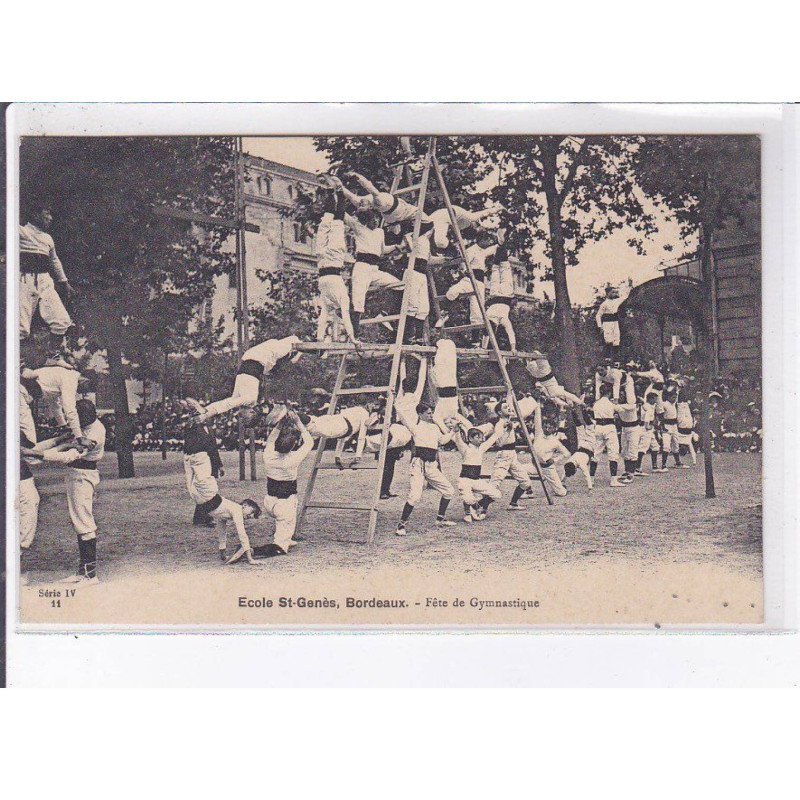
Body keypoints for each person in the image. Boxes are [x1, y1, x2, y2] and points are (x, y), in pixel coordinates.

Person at [24, 399, 106, 585]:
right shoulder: (82, 427)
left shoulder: (95, 432)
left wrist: (38, 455)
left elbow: (69, 455)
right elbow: (60, 443)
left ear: (88, 415)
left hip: (83, 475)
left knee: (84, 522)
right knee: (79, 522)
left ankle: (90, 574)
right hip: (76, 473)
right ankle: (83, 572)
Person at [189, 335, 300, 423]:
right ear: (252, 412)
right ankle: (298, 348)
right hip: (255, 361)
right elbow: (229, 405)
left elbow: (228, 403)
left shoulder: (248, 399)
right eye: (244, 418)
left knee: (287, 352)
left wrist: (206, 411)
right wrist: (207, 414)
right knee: (291, 347)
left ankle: (205, 410)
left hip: (249, 365)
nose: (240, 417)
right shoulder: (250, 399)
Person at [253, 411, 315, 558]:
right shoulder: (292, 459)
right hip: (284, 505)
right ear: (292, 447)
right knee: (280, 547)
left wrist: (280, 423)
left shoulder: (268, 455)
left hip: (269, 502)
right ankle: (254, 550)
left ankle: (285, 536)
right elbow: (310, 442)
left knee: (286, 520)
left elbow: (271, 439)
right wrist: (298, 421)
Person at [394, 401, 456, 536]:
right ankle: (401, 525)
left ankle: (440, 519)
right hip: (418, 465)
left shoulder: (434, 428)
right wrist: (395, 404)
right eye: (428, 413)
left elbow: (442, 441)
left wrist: (452, 432)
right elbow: (403, 418)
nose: (431, 415)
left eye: (431, 413)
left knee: (449, 490)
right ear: (420, 414)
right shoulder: (416, 427)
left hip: (432, 465)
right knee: (415, 496)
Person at [19, 205, 73, 353]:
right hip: (23, 280)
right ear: (36, 215)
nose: (50, 218)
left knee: (61, 320)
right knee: (20, 327)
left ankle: (53, 357)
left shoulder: (48, 238)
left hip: (45, 281)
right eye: (47, 214)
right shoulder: (19, 231)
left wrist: (64, 282)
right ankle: (19, 365)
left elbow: (54, 260)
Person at [344, 207, 403, 336]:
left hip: (375, 269)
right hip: (362, 267)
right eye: (373, 219)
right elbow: (345, 216)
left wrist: (395, 246)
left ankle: (383, 314)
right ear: (366, 220)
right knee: (358, 301)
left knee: (400, 285)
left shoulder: (379, 232)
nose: (376, 221)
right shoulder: (359, 228)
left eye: (377, 218)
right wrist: (337, 193)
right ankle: (355, 334)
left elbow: (382, 251)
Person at [314, 179, 357, 344]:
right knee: (328, 222)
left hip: (332, 262)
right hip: (322, 265)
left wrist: (353, 338)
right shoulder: (329, 299)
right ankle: (333, 191)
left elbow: (344, 317)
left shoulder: (341, 298)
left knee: (335, 223)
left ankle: (336, 192)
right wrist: (352, 339)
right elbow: (324, 317)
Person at [437, 232, 496, 336]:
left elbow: (495, 248)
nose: (489, 243)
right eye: (488, 240)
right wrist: (464, 270)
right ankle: (444, 313)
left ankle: (475, 341)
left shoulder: (483, 251)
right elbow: (463, 262)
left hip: (480, 283)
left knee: (477, 312)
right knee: (452, 291)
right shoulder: (472, 250)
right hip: (469, 280)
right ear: (482, 239)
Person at [23, 353, 89, 445]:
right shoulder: (71, 379)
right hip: (24, 391)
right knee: (29, 436)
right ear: (86, 380)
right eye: (85, 388)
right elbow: (70, 409)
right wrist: (80, 437)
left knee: (28, 435)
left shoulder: (65, 374)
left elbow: (54, 404)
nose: (79, 392)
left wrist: (63, 425)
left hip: (27, 391)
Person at [488, 394, 538, 509]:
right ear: (500, 413)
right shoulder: (499, 424)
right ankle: (480, 506)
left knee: (525, 482)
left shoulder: (508, 418)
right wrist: (508, 430)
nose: (509, 409)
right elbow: (499, 443)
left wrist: (509, 392)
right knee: (494, 485)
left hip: (512, 455)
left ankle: (513, 503)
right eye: (505, 408)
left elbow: (509, 403)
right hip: (503, 455)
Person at [452, 421, 503, 521]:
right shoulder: (465, 449)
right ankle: (467, 513)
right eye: (478, 437)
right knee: (468, 499)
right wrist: (457, 431)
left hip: (477, 480)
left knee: (497, 494)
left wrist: (502, 425)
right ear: (470, 438)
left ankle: (476, 506)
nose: (481, 439)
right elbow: (458, 441)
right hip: (465, 480)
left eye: (481, 437)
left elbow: (493, 438)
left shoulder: (481, 448)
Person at [183, 419, 225, 528]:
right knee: (196, 488)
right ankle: (202, 517)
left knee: (204, 488)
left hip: (205, 460)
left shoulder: (210, 430)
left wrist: (219, 465)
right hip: (193, 459)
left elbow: (213, 449)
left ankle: (203, 517)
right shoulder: (192, 427)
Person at [592, 382, 629, 487]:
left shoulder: (596, 403)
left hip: (598, 427)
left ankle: (591, 479)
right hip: (609, 427)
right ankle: (613, 480)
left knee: (595, 453)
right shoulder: (611, 404)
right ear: (609, 393)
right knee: (613, 453)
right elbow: (621, 410)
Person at [430, 339, 472, 429]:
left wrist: (447, 429)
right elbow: (469, 424)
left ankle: (439, 343)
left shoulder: (439, 416)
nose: (451, 424)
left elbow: (439, 423)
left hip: (442, 385)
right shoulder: (454, 414)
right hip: (452, 384)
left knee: (440, 364)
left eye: (449, 425)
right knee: (451, 359)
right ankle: (444, 342)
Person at [483, 241, 517, 351]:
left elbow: (510, 332)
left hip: (503, 295)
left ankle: (501, 245)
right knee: (497, 269)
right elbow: (487, 333)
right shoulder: (489, 317)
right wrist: (513, 349)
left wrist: (513, 348)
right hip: (495, 294)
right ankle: (500, 245)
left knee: (502, 269)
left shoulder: (501, 319)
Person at [428, 205, 498, 251]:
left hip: (440, 217)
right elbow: (481, 214)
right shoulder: (470, 217)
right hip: (444, 216)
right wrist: (497, 209)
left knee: (437, 241)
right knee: (441, 242)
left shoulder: (462, 224)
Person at [562, 406, 596, 490]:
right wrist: (562, 482)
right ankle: (576, 411)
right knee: (580, 428)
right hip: (581, 445)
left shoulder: (581, 464)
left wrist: (590, 488)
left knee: (589, 427)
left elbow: (586, 475)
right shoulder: (569, 461)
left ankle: (581, 411)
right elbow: (565, 472)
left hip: (589, 446)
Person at [616, 373, 641, 480]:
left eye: (622, 395)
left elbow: (628, 407)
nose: (621, 397)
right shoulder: (619, 406)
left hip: (634, 429)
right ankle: (627, 471)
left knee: (632, 450)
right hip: (624, 428)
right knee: (624, 450)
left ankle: (631, 473)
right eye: (620, 395)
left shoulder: (631, 405)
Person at [655, 388, 684, 471]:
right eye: (673, 397)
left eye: (675, 397)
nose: (674, 399)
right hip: (666, 426)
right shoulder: (664, 404)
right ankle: (663, 465)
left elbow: (677, 395)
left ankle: (678, 462)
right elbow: (659, 415)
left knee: (676, 444)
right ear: (668, 397)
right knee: (666, 446)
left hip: (674, 426)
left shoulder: (674, 404)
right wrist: (662, 427)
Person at [595, 286, 626, 357]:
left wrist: (630, 285)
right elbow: (598, 315)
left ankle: (616, 359)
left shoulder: (616, 301)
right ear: (608, 293)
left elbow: (625, 296)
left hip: (615, 322)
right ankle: (608, 358)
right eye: (612, 292)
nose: (614, 294)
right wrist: (600, 326)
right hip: (607, 323)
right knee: (608, 340)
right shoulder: (604, 304)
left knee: (616, 339)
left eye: (615, 292)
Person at [676, 398, 697, 466]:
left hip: (682, 425)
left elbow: (692, 451)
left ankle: (679, 394)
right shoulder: (688, 442)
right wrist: (694, 462)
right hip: (688, 424)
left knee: (681, 408)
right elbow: (692, 452)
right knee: (685, 407)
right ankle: (684, 398)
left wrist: (694, 462)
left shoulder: (677, 442)